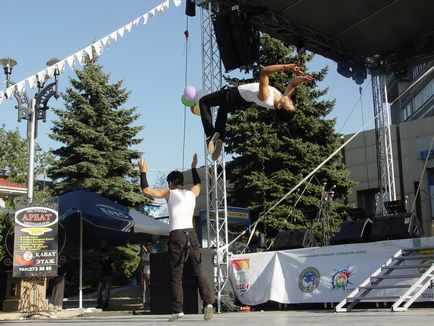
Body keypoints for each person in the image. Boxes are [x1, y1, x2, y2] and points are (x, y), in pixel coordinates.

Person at [138, 153, 213, 322]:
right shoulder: (191, 193)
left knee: (176, 274)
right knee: (198, 270)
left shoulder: (169, 193)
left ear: (170, 183)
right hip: (191, 234)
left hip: (177, 235)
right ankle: (208, 303)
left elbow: (146, 190)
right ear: (181, 182)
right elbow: (198, 184)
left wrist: (143, 172)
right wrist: (194, 168)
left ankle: (177, 309)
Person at [198, 63, 314, 160]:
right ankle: (220, 138)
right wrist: (303, 79)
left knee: (203, 101)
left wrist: (286, 67)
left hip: (234, 95)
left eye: (289, 105)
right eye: (292, 103)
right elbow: (293, 83)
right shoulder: (281, 99)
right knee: (223, 110)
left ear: (279, 107)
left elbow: (265, 71)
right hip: (242, 103)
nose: (290, 101)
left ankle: (210, 135)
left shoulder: (266, 97)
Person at [141, 240, 154, 311]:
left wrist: (147, 262)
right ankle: (145, 304)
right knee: (145, 290)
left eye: (150, 245)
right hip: (146, 273)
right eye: (147, 245)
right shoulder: (145, 254)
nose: (148, 246)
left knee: (153, 289)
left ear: (152, 246)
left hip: (153, 273)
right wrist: (150, 262)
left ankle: (153, 303)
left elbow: (155, 262)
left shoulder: (155, 253)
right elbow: (143, 264)